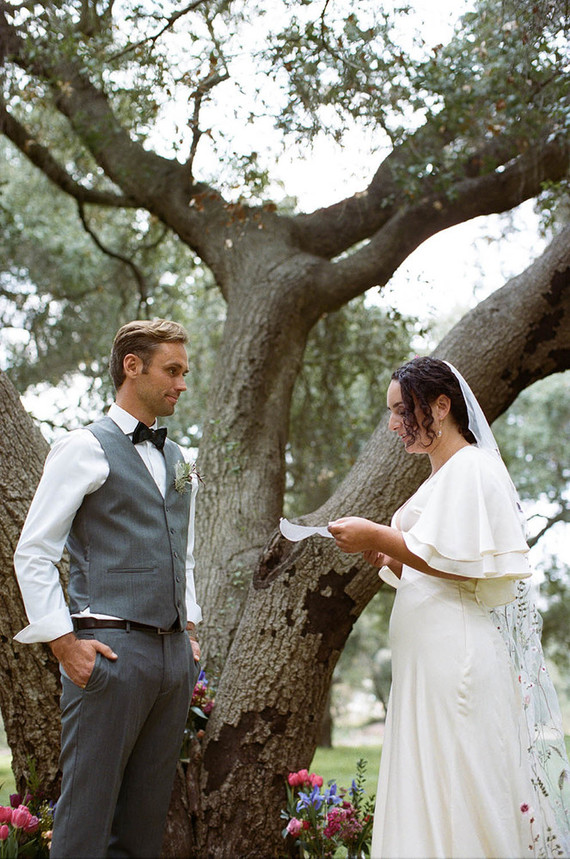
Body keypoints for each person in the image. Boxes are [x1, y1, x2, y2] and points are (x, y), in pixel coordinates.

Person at [328, 356, 570, 859]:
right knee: (430, 781)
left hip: (455, 660)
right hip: (426, 665)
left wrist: (380, 535)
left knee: (457, 785)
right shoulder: (440, 477)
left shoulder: (471, 468)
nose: (393, 424)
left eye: (402, 411)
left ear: (441, 406)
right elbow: (438, 552)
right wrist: (391, 547)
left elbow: (466, 565)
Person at [13, 319, 202, 858]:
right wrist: (63, 644)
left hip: (172, 659)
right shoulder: (82, 447)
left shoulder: (182, 459)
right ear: (132, 366)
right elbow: (34, 551)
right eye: (172, 371)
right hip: (111, 654)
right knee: (85, 820)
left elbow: (182, 550)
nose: (181, 384)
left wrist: (188, 633)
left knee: (144, 825)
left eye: (184, 372)